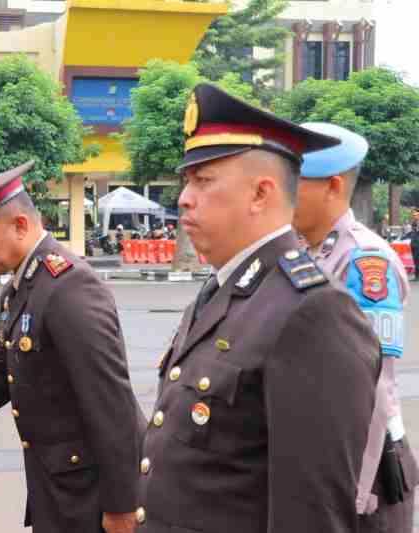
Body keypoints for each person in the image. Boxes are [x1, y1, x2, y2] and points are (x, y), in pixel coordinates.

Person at [135, 83, 382, 532]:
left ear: (260, 194)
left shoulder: (312, 313)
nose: (184, 197)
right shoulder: (222, 291)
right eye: (187, 180)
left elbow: (312, 516)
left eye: (203, 180)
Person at [0, 161, 145, 533]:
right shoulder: (20, 287)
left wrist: (123, 503)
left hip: (92, 493)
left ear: (20, 225)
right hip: (57, 485)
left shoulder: (69, 287)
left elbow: (111, 401)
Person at [293, 122, 419, 533]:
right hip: (322, 455)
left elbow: (370, 389)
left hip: (365, 466)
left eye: (294, 182)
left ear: (332, 186)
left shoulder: (364, 261)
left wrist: (356, 491)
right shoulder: (300, 252)